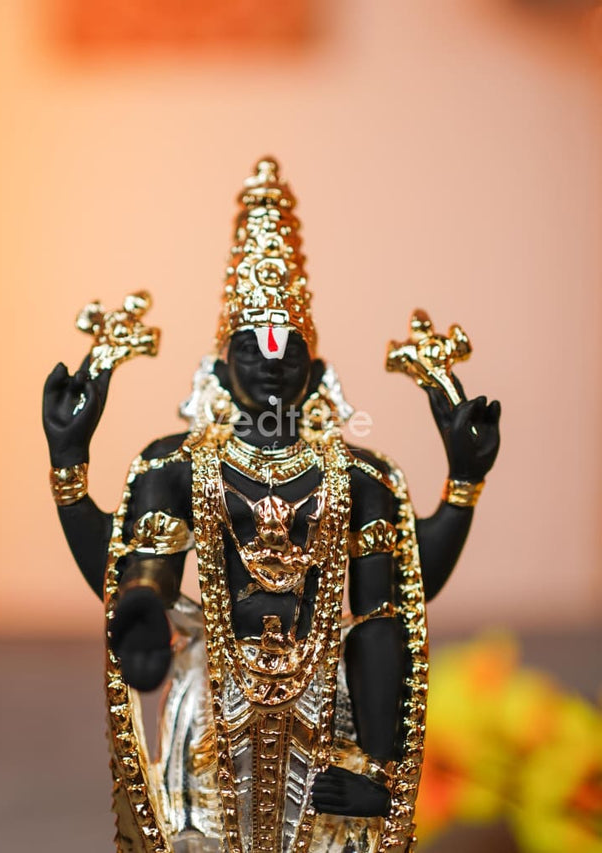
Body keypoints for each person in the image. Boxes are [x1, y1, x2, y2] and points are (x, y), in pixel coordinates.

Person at [43, 159, 500, 853]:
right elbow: (129, 570)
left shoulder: (358, 475)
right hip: (211, 700)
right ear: (222, 364)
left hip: (330, 710)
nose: (270, 360)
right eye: (250, 345)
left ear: (314, 368)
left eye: (289, 347)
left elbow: (392, 606)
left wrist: (463, 480)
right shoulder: (177, 464)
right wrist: (70, 466)